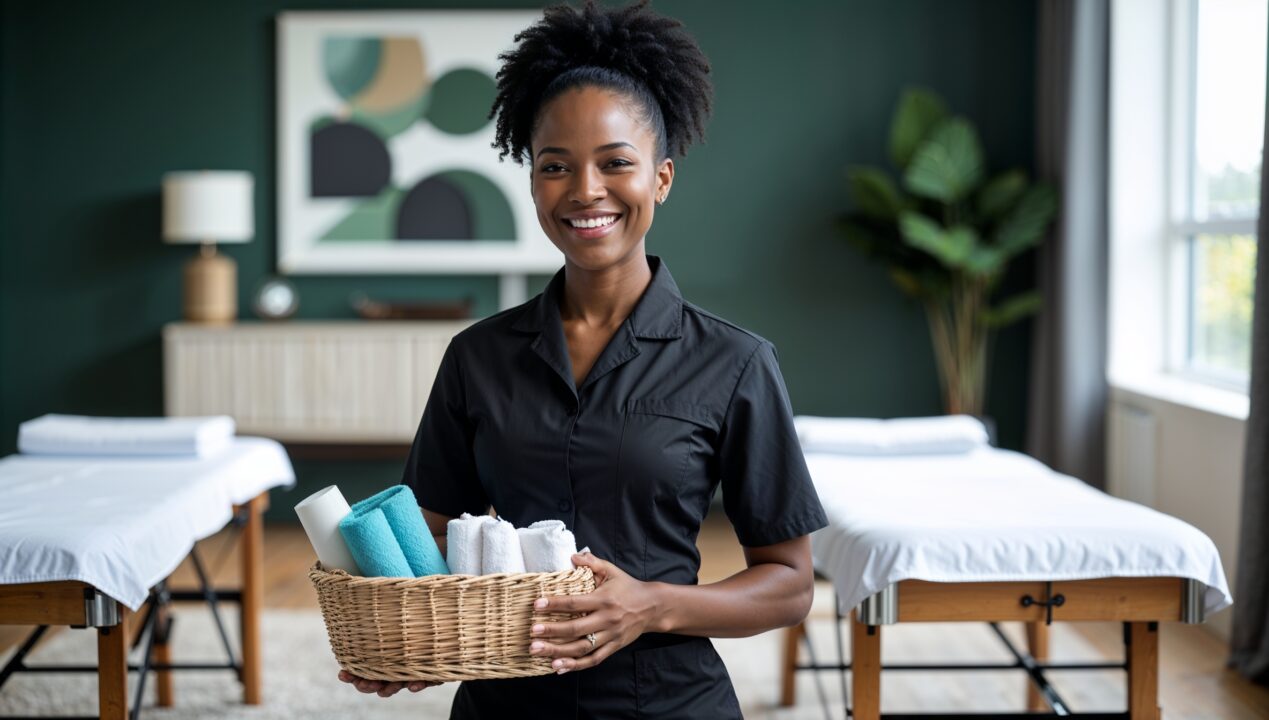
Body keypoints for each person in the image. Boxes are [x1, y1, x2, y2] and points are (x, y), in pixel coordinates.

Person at [339, 1, 827, 716]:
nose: (585, 191)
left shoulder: (734, 362)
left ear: (660, 178)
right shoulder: (476, 357)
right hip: (507, 700)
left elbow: (788, 582)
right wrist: (405, 640)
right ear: (532, 181)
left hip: (665, 699)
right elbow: (432, 535)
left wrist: (651, 606)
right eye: (555, 166)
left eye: (614, 163)